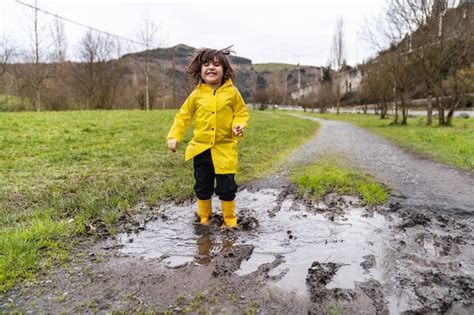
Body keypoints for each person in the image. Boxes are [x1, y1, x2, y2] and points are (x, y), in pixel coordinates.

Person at [166, 46, 249, 228]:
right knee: (202, 186)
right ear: (200, 70)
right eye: (206, 65)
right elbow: (183, 116)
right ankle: (204, 219)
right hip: (201, 149)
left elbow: (241, 113)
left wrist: (238, 125)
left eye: (216, 64)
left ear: (224, 71)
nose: (211, 68)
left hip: (225, 150)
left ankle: (229, 221)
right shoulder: (196, 94)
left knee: (226, 188)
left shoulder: (232, 92)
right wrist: (174, 137)